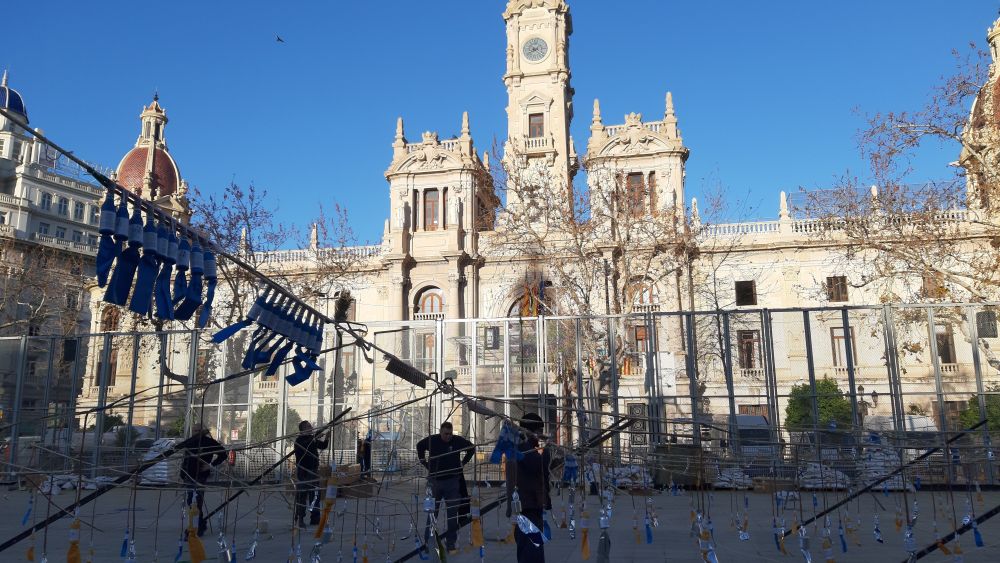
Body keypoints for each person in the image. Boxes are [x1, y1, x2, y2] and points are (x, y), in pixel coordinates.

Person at [416, 422, 475, 554]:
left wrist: (463, 462)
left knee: (452, 515)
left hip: (452, 482)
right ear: (441, 432)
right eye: (445, 434)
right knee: (432, 514)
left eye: (450, 434)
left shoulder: (457, 441)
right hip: (435, 482)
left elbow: (471, 448)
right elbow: (419, 445)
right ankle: (428, 542)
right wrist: (424, 462)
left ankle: (451, 544)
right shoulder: (432, 440)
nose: (448, 436)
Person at [505, 413, 553, 563]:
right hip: (528, 507)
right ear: (531, 431)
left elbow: (543, 470)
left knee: (534, 548)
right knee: (531, 552)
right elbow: (538, 465)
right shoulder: (522, 447)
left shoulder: (525, 446)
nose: (540, 435)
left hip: (531, 506)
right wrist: (548, 449)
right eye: (539, 431)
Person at [177, 424, 226, 536]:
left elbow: (223, 454)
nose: (196, 432)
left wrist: (211, 465)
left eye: (198, 430)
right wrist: (182, 474)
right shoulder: (190, 442)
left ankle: (196, 527)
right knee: (191, 501)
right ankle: (200, 524)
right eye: (194, 430)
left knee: (196, 501)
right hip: (189, 475)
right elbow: (186, 459)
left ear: (203, 431)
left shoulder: (209, 442)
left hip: (200, 475)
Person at [293, 420, 329, 528]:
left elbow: (322, 446)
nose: (311, 428)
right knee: (302, 495)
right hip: (304, 471)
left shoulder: (312, 439)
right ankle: (300, 518)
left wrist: (327, 438)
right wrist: (314, 438)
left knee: (315, 495)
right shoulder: (299, 441)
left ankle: (315, 518)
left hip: (313, 470)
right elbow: (306, 446)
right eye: (308, 426)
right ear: (303, 429)